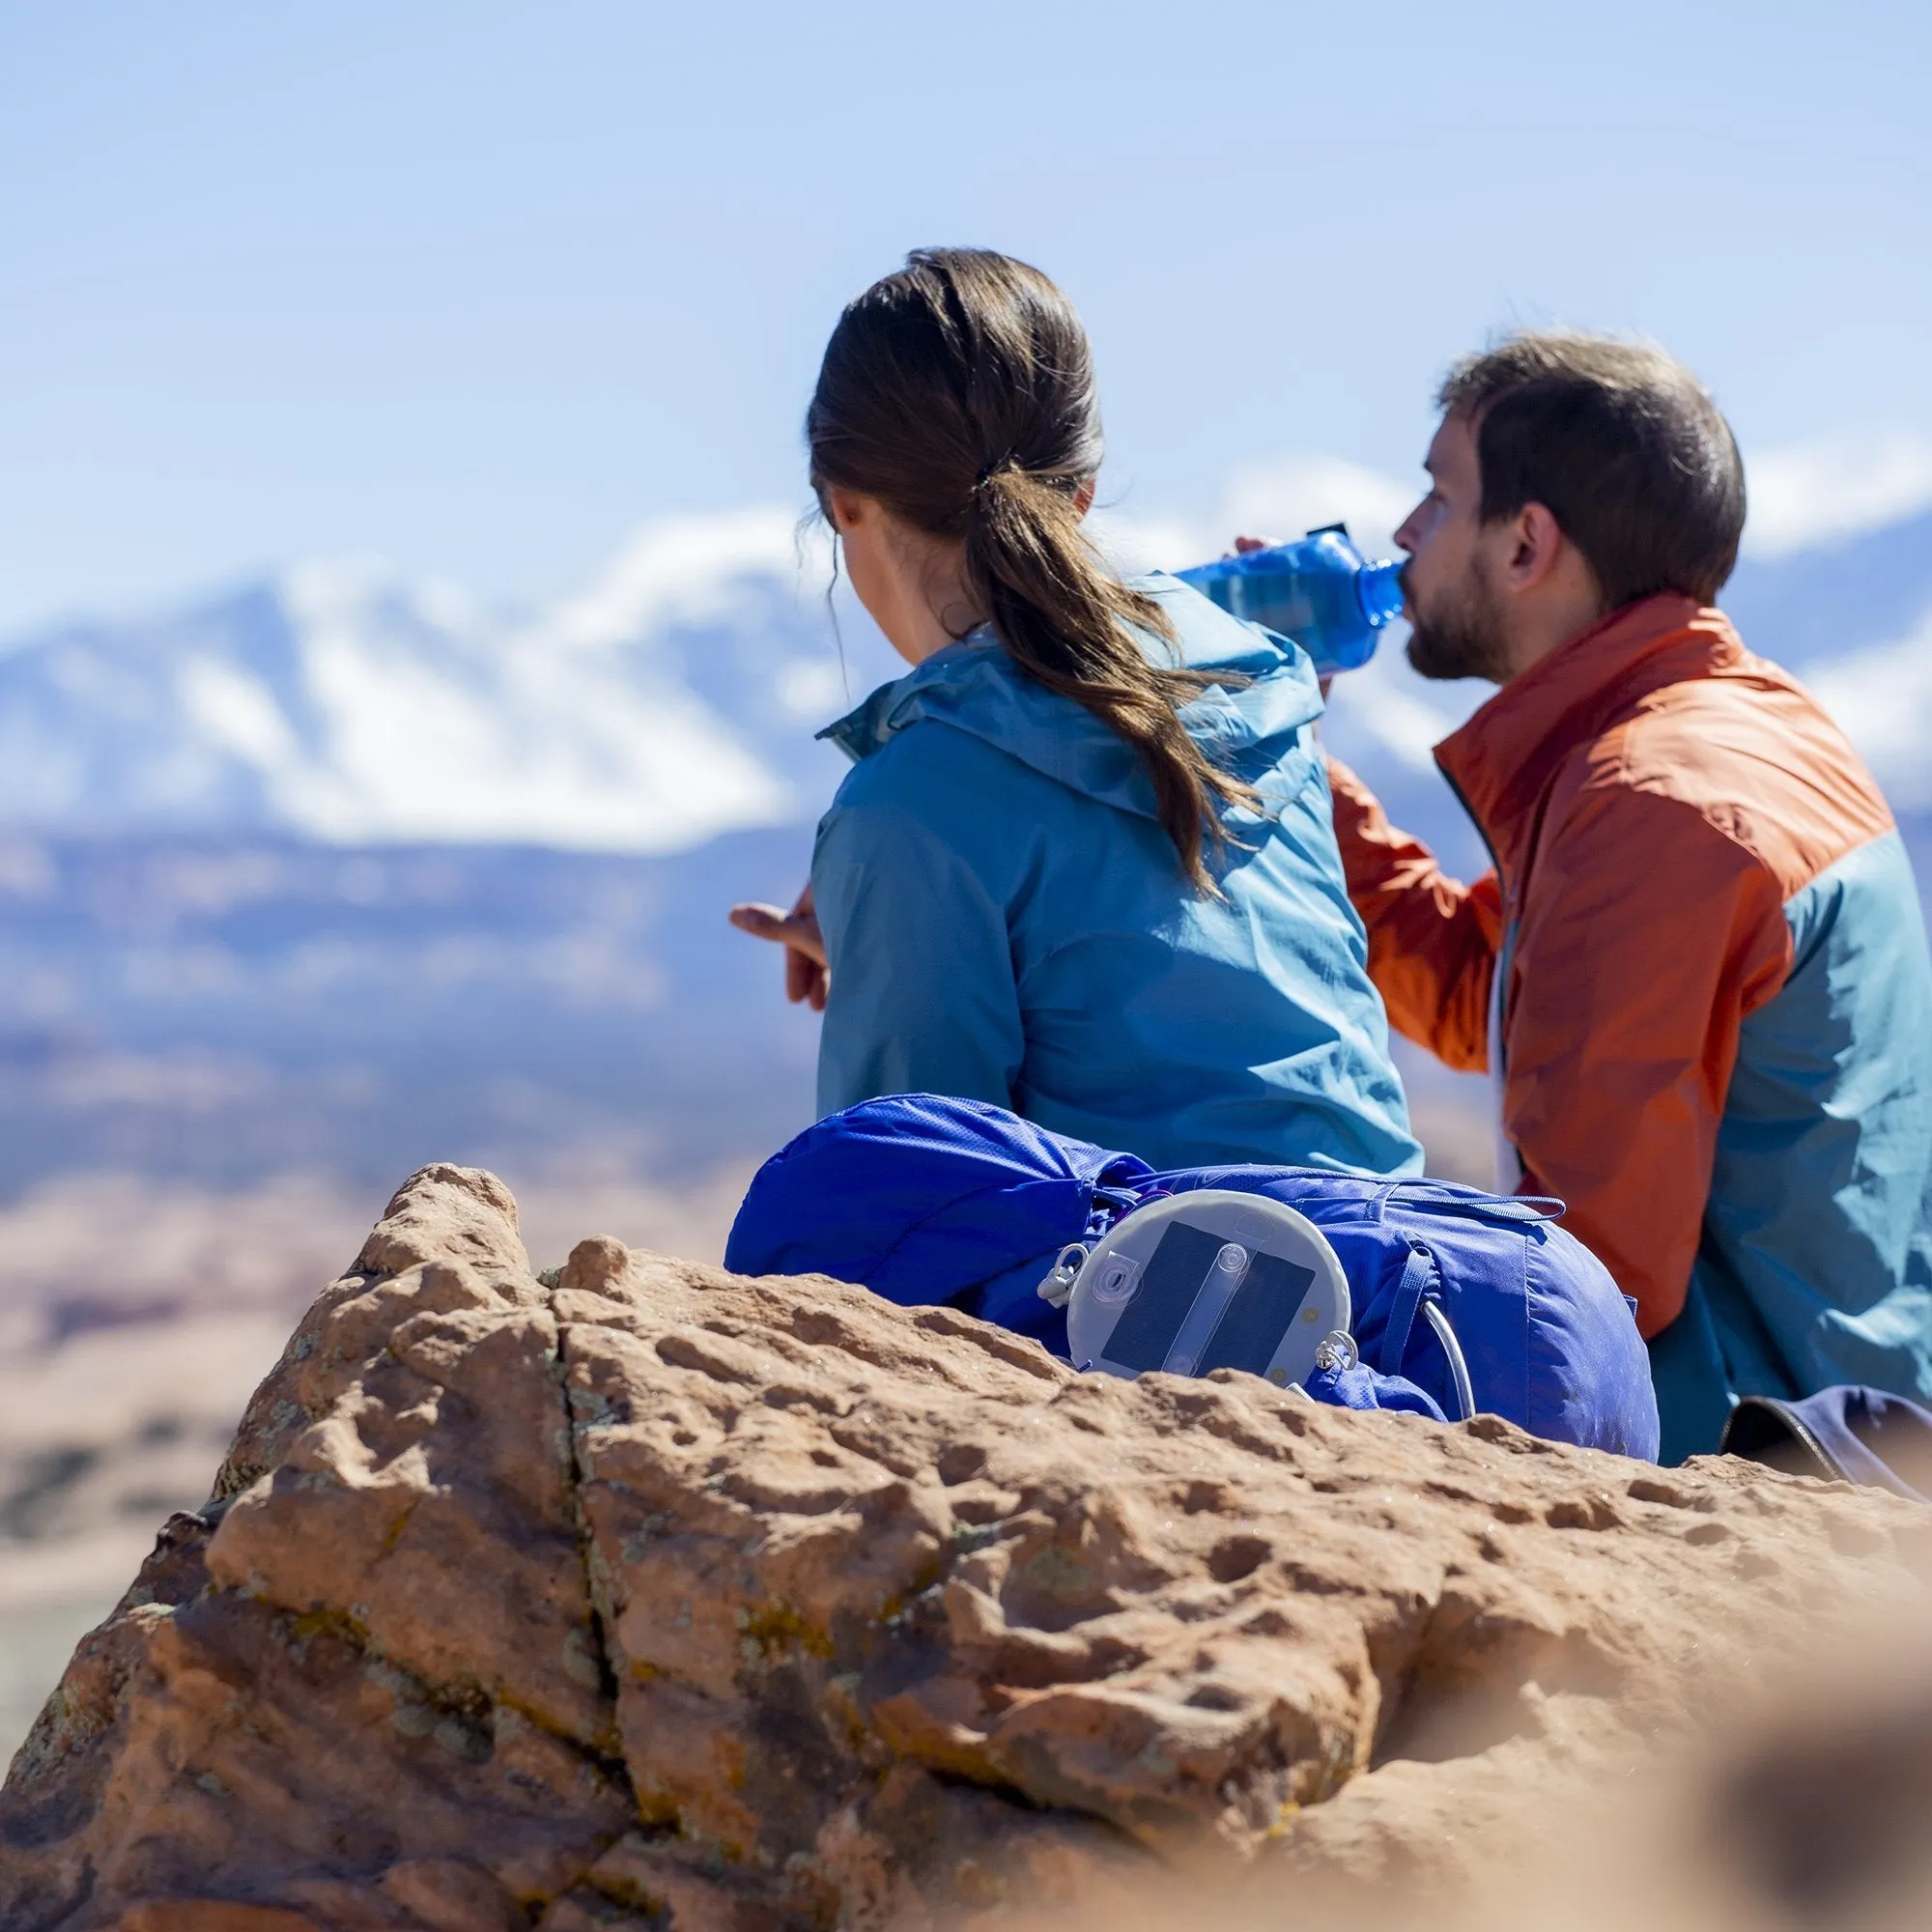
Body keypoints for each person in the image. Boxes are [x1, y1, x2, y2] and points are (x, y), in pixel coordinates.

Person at [1312, 330, 1932, 1463]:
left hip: (1748, 1452)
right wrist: (1291, 764)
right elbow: (1482, 988)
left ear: (1526, 544)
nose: (1403, 533)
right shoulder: (1723, 736)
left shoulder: (1649, 803)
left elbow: (1586, 1279)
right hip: (1849, 1409)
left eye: (1435, 497)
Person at [731, 246, 1421, 1179]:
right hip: (1389, 1297)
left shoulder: (916, 807)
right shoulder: (1263, 701)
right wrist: (900, 935)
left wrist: (899, 911)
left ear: (843, 501)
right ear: (1082, 493)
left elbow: (902, 1210)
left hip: (1169, 1317)